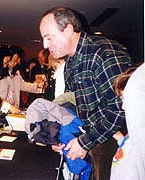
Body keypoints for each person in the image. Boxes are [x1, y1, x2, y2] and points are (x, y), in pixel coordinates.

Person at [39, 7, 132, 180]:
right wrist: (65, 138)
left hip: (113, 141)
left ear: (68, 30)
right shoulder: (71, 62)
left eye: (48, 37)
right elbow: (75, 107)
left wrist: (84, 142)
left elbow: (121, 108)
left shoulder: (104, 53)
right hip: (92, 136)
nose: (45, 45)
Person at [110, 63, 145, 180]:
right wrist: (121, 139)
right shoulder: (134, 132)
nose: (123, 106)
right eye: (121, 99)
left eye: (126, 98)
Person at [0, 45, 43, 112]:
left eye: (17, 61)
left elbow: (23, 85)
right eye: (14, 61)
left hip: (13, 108)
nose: (16, 63)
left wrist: (38, 86)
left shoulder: (16, 72)